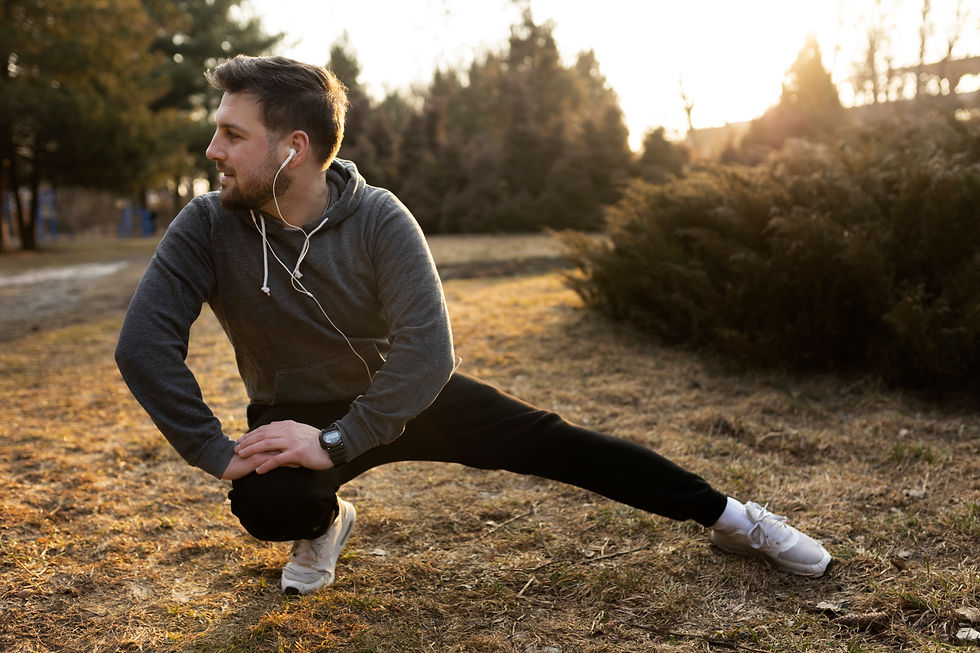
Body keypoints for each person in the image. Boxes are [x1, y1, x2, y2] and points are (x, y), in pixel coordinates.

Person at [115, 54, 831, 596]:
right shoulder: (208, 224)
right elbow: (143, 344)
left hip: (407, 393)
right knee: (266, 501)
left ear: (292, 148)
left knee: (559, 442)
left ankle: (736, 519)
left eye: (231, 134)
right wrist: (215, 448)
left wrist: (340, 437)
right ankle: (323, 524)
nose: (213, 150)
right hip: (293, 409)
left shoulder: (379, 218)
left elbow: (428, 351)